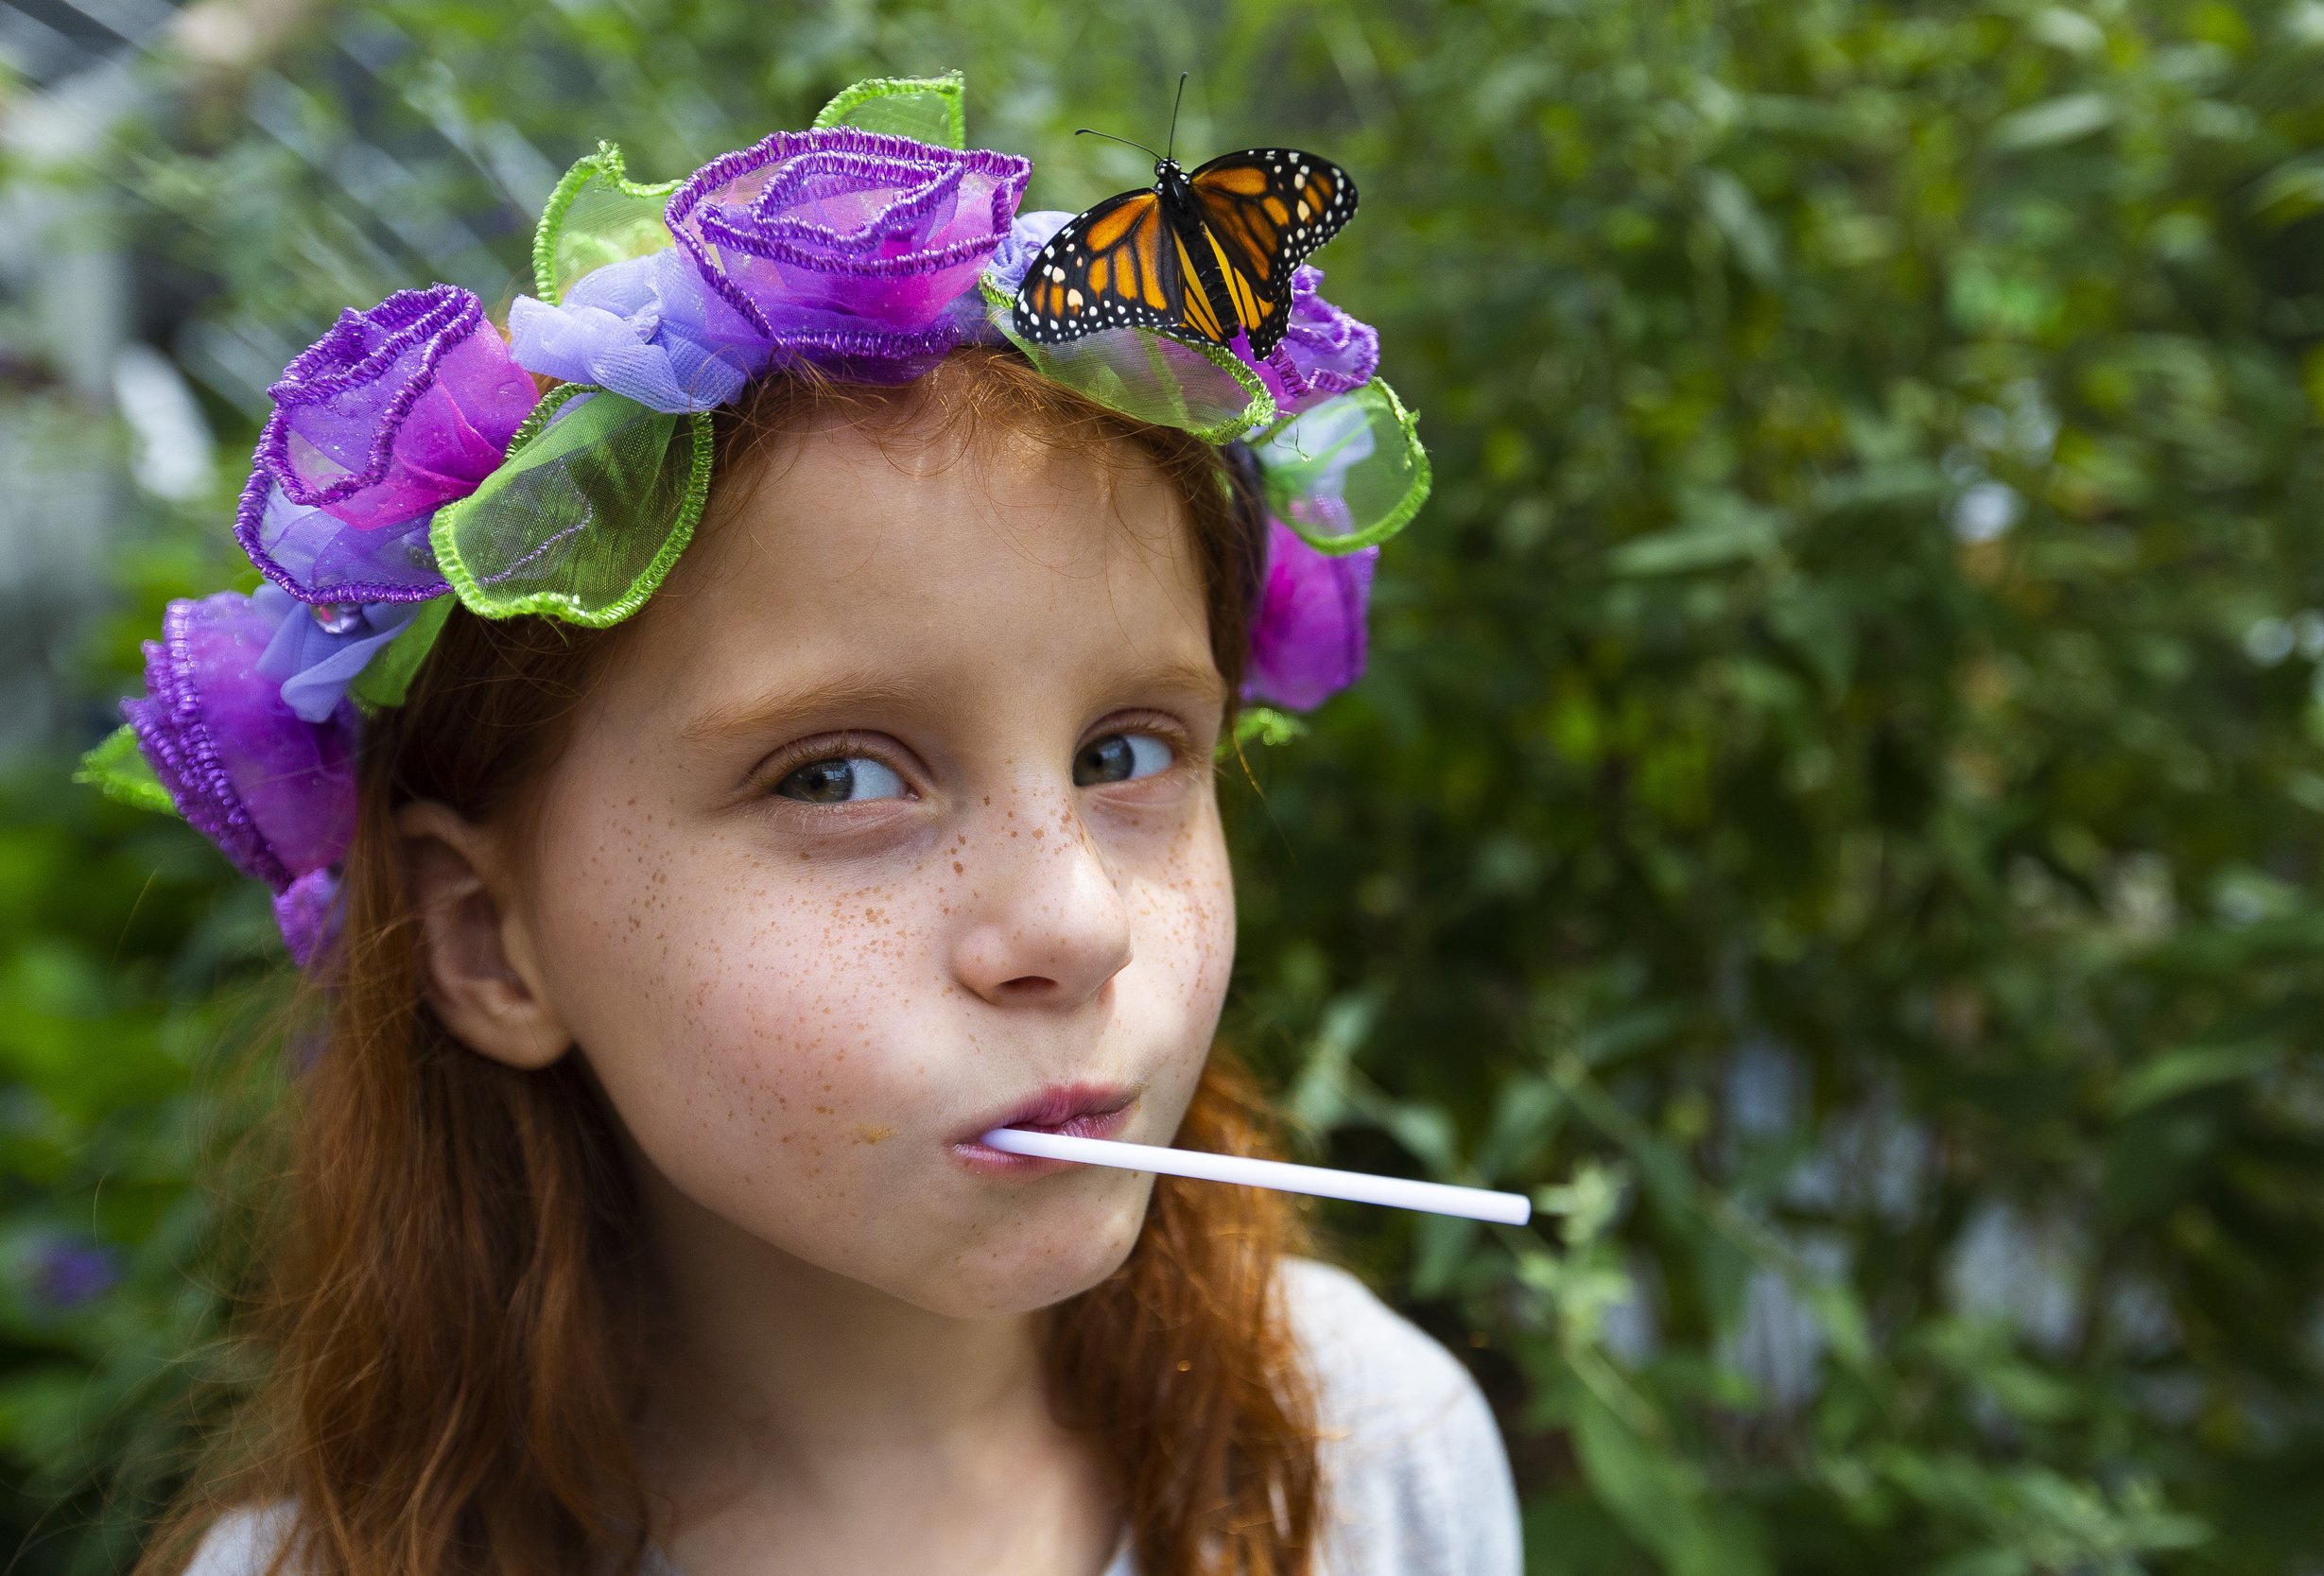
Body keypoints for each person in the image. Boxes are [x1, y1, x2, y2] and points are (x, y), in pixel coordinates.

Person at [81, 74, 1518, 1576]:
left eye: (1126, 750)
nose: (1079, 927)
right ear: (488, 942)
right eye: (837, 778)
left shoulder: (1370, 1462)